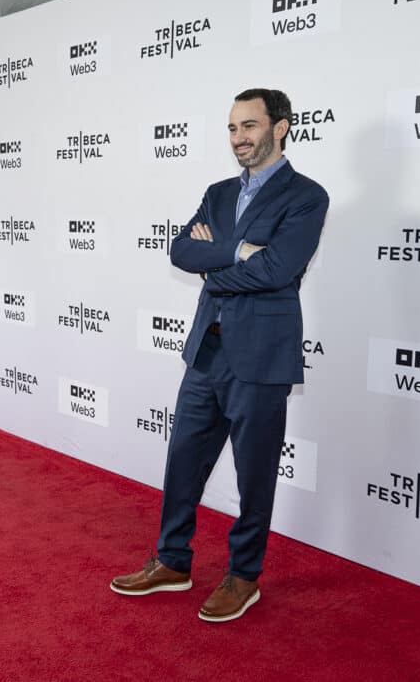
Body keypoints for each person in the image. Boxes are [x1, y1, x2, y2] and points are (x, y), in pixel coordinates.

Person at [110, 88, 329, 623]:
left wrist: (216, 264)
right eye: (232, 129)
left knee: (255, 474)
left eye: (250, 126)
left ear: (280, 127)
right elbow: (182, 250)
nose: (239, 139)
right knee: (183, 460)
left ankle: (244, 575)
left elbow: (279, 270)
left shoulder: (307, 196)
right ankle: (172, 561)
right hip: (206, 350)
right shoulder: (218, 191)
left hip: (261, 356)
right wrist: (233, 251)